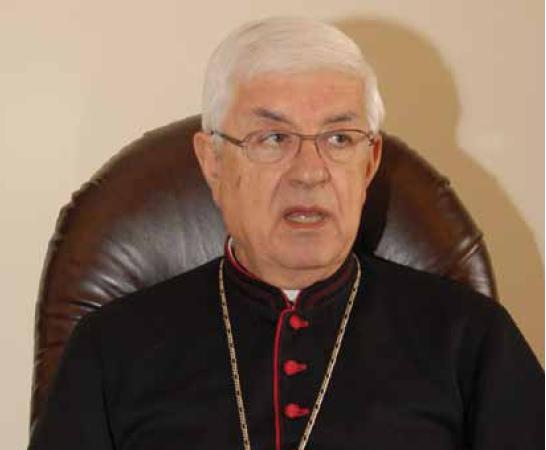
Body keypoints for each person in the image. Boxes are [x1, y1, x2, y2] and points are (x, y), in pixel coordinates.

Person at [28, 17, 543, 450]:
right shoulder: (111, 348)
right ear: (212, 163)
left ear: (369, 163)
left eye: (339, 139)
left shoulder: (470, 338)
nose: (310, 172)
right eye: (274, 138)